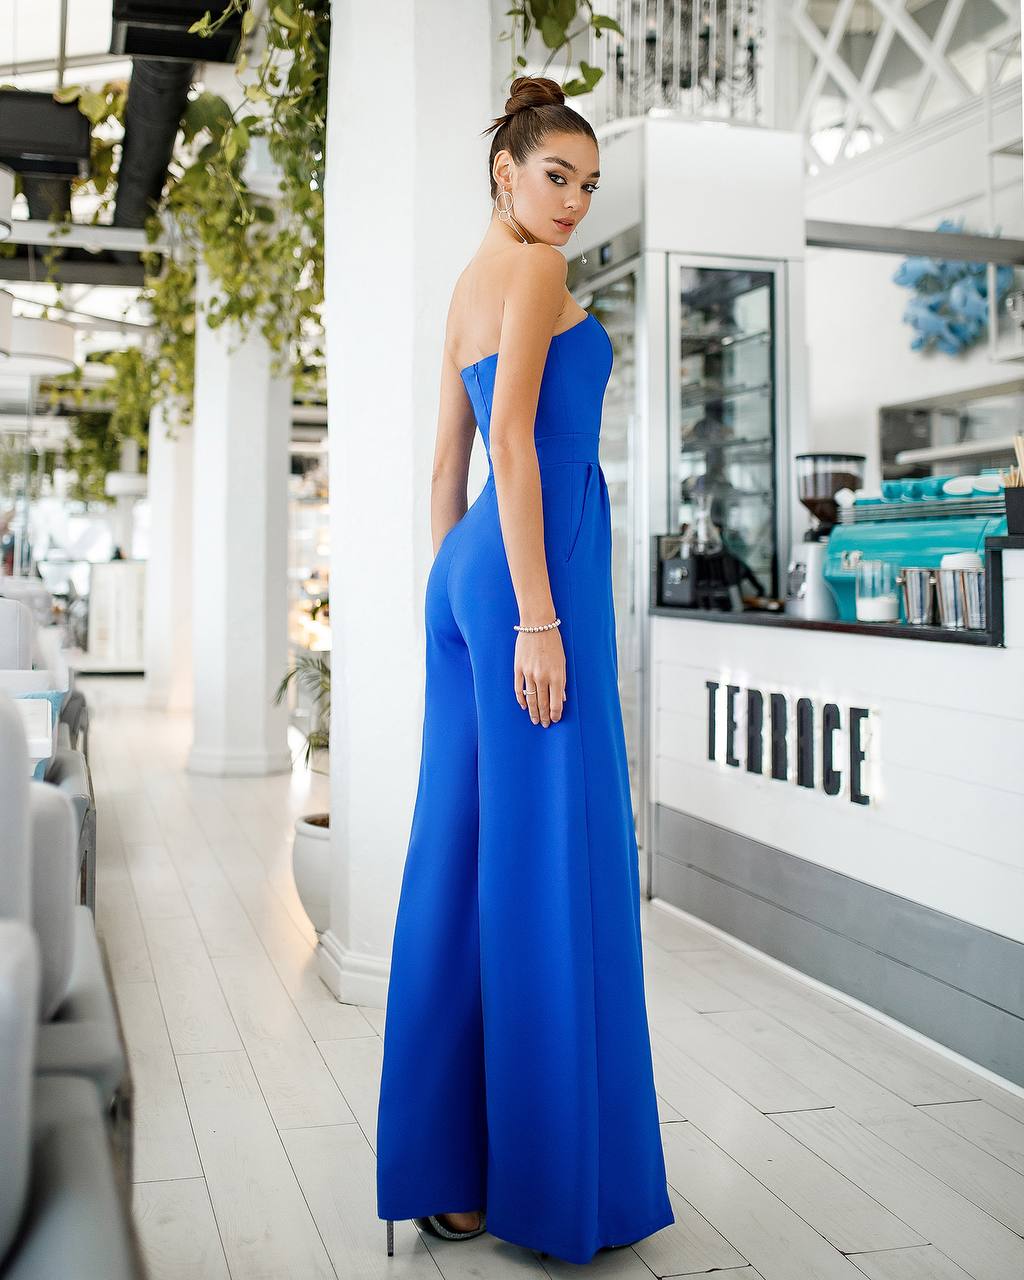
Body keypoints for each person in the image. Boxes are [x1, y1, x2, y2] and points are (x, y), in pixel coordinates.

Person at [375, 75, 675, 1265]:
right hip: (527, 579)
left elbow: (441, 469)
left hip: (471, 569)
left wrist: (452, 598)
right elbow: (509, 438)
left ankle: (448, 1173)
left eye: (589, 186)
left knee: (457, 855)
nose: (574, 203)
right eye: (558, 176)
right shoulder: (537, 270)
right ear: (505, 170)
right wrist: (535, 619)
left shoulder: (466, 284)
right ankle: (546, 1190)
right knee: (549, 863)